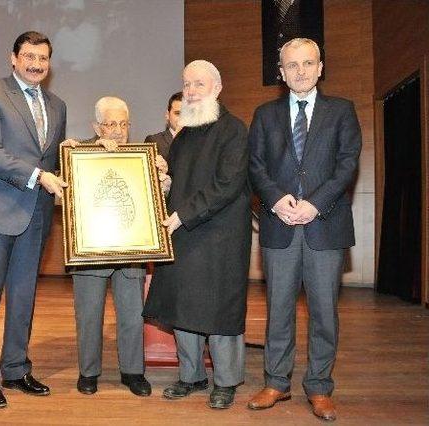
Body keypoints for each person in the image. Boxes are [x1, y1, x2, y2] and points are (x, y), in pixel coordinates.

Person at [247, 38, 361, 422]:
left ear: (320, 67)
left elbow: (347, 164)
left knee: (324, 313)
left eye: (307, 63)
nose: (300, 71)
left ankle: (319, 386)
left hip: (324, 225)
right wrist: (277, 200)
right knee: (278, 309)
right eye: (292, 65)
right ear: (280, 73)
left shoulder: (342, 111)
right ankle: (276, 382)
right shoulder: (264, 115)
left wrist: (314, 204)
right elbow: (256, 166)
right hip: (279, 225)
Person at [143, 60, 251, 410]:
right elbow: (179, 180)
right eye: (186, 84)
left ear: (217, 89)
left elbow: (228, 184)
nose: (190, 91)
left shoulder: (234, 130)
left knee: (220, 309)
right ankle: (191, 376)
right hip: (184, 232)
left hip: (220, 236)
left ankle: (226, 381)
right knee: (182, 305)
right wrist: (163, 184)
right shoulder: (184, 134)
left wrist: (181, 215)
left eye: (198, 85)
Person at [0, 31, 68, 409]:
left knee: (23, 298)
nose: (36, 64)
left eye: (43, 58)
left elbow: (51, 157)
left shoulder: (57, 105)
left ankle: (15, 368)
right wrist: (38, 176)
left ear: (49, 63)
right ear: (13, 58)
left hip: (37, 214)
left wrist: (74, 152)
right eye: (28, 56)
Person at [63, 96, 168, 397]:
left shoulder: (141, 157)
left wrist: (161, 177)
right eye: (111, 124)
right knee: (89, 315)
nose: (118, 131)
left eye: (124, 124)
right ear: (97, 126)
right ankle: (89, 372)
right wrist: (78, 155)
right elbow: (64, 197)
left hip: (130, 252)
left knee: (133, 314)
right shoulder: (77, 151)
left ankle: (133, 372)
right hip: (90, 254)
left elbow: (155, 204)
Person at [144, 91, 183, 159]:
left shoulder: (199, 141)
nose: (182, 118)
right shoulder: (154, 141)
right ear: (167, 115)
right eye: (177, 113)